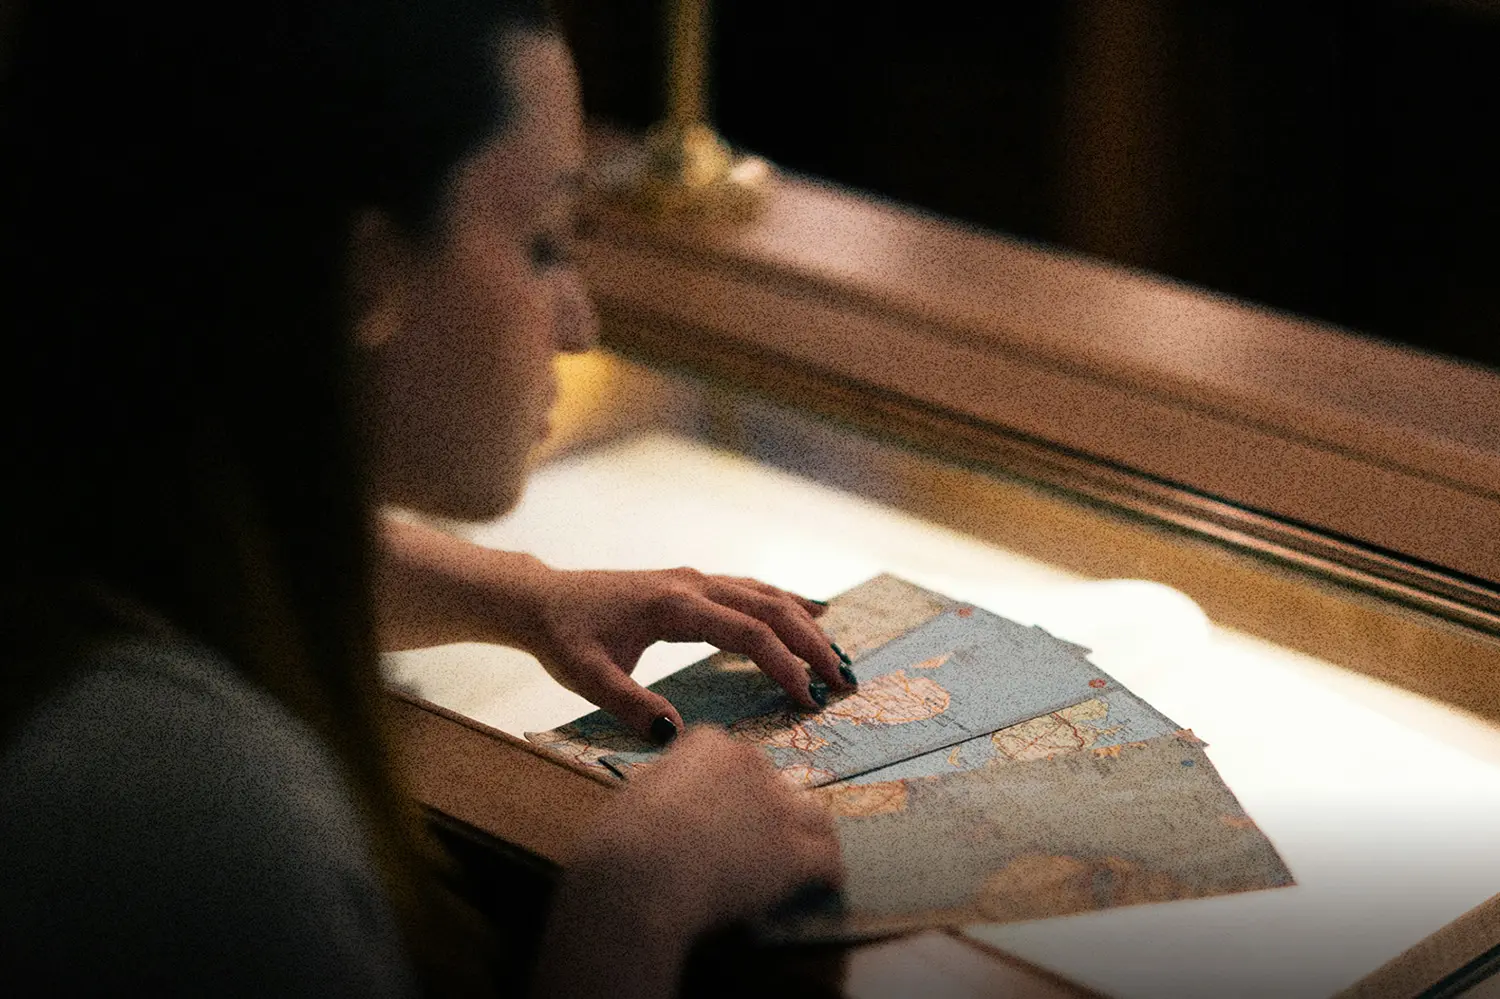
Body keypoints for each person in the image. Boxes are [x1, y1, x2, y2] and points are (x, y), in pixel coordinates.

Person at [0, 1, 845, 995]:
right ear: (365, 276)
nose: (578, 326)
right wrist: (630, 912)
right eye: (542, 242)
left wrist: (521, 595)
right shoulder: (196, 819)